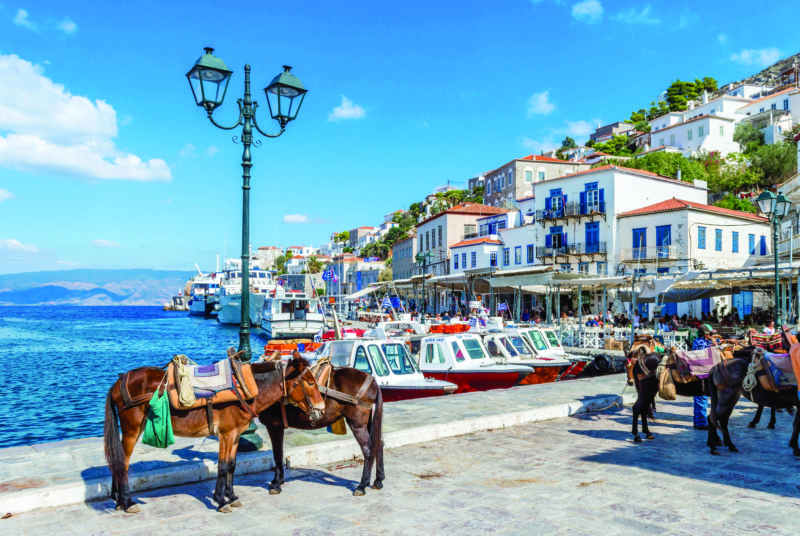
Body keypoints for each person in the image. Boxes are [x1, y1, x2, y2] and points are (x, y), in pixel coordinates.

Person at [691, 324, 718, 430]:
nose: (712, 336)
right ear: (706, 334)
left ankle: (697, 421)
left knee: (699, 398)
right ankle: (702, 423)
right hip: (700, 372)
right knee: (701, 397)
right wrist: (714, 346)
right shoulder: (701, 342)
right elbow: (702, 353)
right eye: (711, 334)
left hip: (700, 371)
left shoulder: (703, 341)